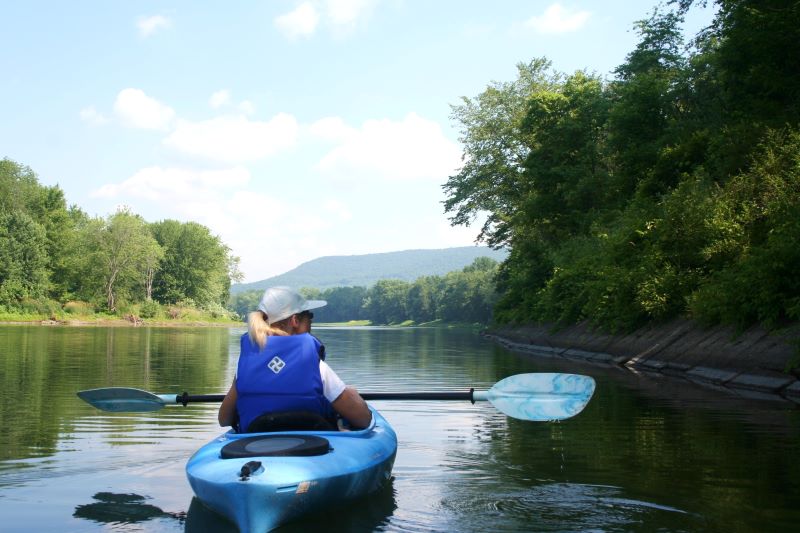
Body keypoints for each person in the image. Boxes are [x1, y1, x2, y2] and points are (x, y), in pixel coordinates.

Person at [218, 286, 372, 432]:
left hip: (254, 445)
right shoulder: (313, 362)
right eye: (309, 317)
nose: (311, 322)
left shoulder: (245, 363)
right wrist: (350, 393)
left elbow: (224, 419)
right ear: (295, 321)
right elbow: (363, 419)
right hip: (310, 446)